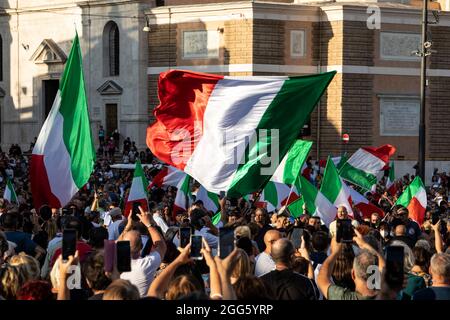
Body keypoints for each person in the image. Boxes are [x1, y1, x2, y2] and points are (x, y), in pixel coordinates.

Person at [317, 230, 385, 300]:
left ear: (353, 274)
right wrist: (365, 245)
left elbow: (321, 279)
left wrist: (335, 252)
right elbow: (383, 267)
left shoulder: (344, 297)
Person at [118, 207, 166, 297]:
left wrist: (128, 227)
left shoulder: (116, 262)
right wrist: (149, 224)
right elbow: (162, 247)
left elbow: (117, 243)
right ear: (141, 246)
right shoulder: (144, 265)